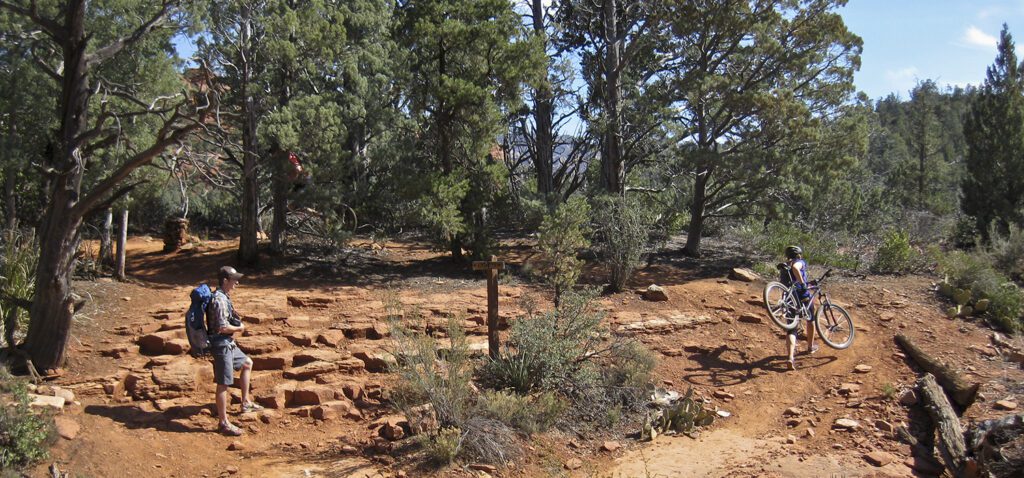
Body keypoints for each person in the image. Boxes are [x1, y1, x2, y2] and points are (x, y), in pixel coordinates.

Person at [207, 266, 262, 436]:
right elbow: (222, 327)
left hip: (228, 343)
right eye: (234, 279)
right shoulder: (219, 300)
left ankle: (245, 402)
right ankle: (223, 423)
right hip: (221, 344)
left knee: (247, 363)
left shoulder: (224, 296)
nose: (237, 282)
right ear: (225, 281)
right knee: (223, 383)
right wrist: (239, 329)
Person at [784, 245, 818, 370]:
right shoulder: (798, 262)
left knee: (791, 328)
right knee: (811, 319)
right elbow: (796, 269)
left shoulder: (785, 265)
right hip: (802, 295)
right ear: (799, 254)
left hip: (789, 297)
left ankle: (790, 358)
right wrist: (804, 284)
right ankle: (810, 347)